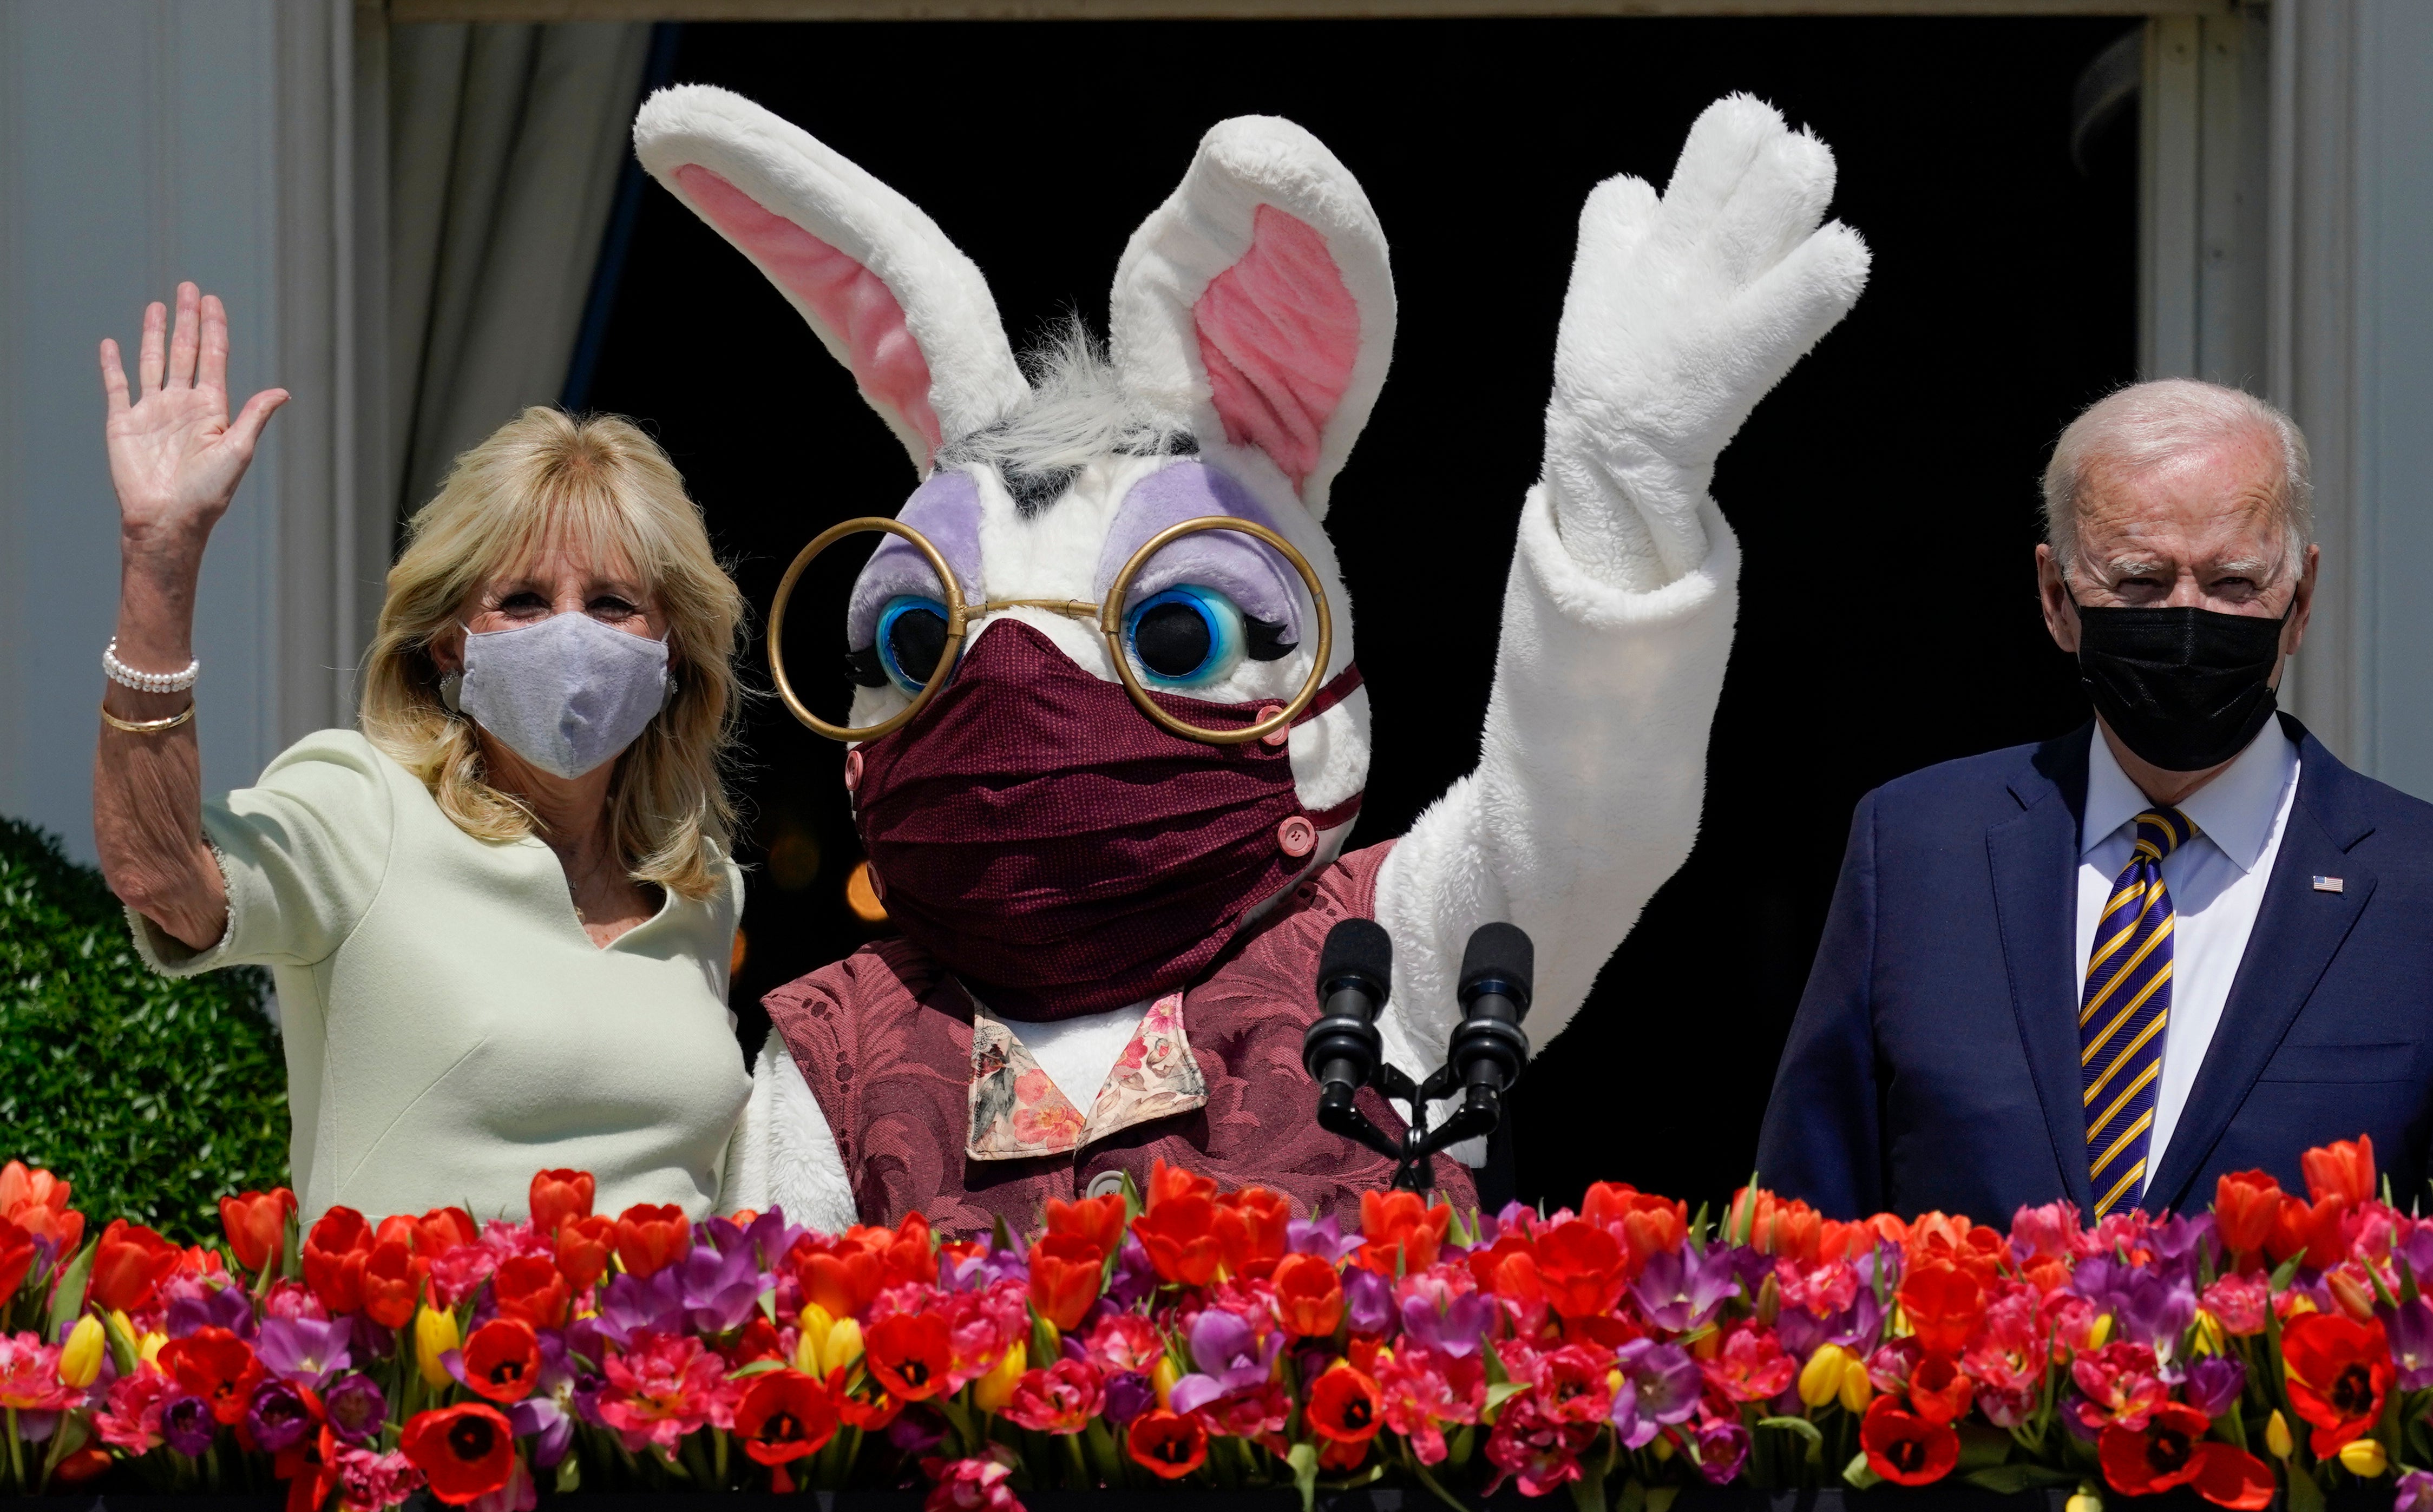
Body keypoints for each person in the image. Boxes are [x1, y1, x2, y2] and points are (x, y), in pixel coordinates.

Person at [633, 88, 1869, 1233]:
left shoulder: (1383, 950)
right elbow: (782, 1386)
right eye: (919, 643)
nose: (1014, 695)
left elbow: (1578, 817)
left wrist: (1618, 488)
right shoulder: (842, 1046)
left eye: (1175, 636)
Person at [1755, 378, 2433, 1228]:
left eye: (2233, 583)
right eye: (2141, 582)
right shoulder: (1918, 852)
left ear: (2301, 600)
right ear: (2054, 598)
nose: (2188, 618)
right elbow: (1804, 1242)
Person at [94, 284, 751, 1222]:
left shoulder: (705, 888)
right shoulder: (364, 808)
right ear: (450, 642)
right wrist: (160, 564)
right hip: (423, 1366)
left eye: (612, 603)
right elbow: (158, 873)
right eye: (522, 600)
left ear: (670, 647)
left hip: (669, 1369)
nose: (570, 635)